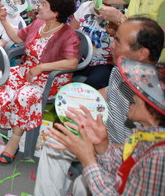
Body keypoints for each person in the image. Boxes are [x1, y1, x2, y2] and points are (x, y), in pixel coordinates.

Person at [34, 17, 164, 196]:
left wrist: (92, 153)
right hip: (105, 142)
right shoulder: (121, 70)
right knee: (55, 144)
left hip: (118, 149)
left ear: (142, 53)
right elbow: (110, 92)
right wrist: (74, 99)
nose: (111, 44)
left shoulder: (155, 102)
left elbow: (133, 149)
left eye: (117, 40)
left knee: (82, 183)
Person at [47, 57, 164, 196]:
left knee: (81, 183)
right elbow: (119, 168)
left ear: (154, 107)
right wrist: (102, 145)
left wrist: (88, 159)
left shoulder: (159, 155)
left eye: (142, 92)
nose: (134, 94)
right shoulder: (146, 136)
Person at [0, 0, 79, 164]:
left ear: (56, 13)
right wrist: (3, 20)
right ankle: (2, 126)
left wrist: (42, 67)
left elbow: (72, 63)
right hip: (28, 70)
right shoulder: (39, 23)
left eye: (44, 4)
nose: (39, 5)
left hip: (50, 79)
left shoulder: (69, 35)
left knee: (25, 95)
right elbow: (17, 38)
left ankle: (13, 142)